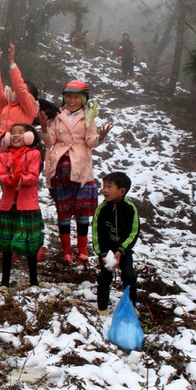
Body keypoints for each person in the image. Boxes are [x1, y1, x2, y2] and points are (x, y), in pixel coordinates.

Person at [39, 81, 112, 265]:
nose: (71, 100)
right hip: (60, 168)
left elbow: (90, 141)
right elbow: (50, 142)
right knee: (63, 211)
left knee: (82, 212)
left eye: (76, 97)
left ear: (83, 99)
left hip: (81, 167)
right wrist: (44, 128)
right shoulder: (57, 115)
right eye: (68, 96)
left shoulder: (88, 117)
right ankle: (66, 250)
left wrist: (101, 137)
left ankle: (81, 249)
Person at [0, 123, 44, 287]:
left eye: (21, 132)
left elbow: (33, 176)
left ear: (29, 136)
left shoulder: (34, 154)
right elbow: (1, 175)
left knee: (31, 245)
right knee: (6, 245)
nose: (16, 135)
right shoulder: (3, 156)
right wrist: (10, 178)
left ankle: (33, 280)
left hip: (28, 205)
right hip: (9, 205)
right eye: (13, 132)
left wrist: (19, 178)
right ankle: (4, 281)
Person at [93, 171, 140, 315]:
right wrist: (102, 253)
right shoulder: (102, 209)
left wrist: (121, 250)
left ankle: (131, 306)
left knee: (129, 276)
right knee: (105, 276)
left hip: (123, 249)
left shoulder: (130, 209)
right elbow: (96, 233)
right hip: (107, 249)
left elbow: (133, 233)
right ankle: (102, 308)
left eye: (109, 186)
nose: (104, 190)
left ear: (121, 191)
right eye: (104, 186)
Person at [0, 43, 39, 135]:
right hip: (3, 145)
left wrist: (12, 62)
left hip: (20, 146)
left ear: (31, 96)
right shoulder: (8, 105)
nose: (18, 91)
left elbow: (20, 89)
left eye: (25, 90)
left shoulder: (30, 108)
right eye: (15, 89)